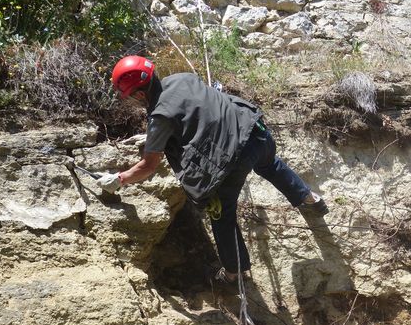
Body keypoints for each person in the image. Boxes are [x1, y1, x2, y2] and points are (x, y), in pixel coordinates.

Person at [97, 55, 328, 283]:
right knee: (270, 165)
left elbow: (149, 165)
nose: (129, 100)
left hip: (233, 160)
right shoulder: (182, 77)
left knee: (221, 213)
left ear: (139, 94)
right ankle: (310, 199)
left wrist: (119, 179)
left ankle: (233, 272)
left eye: (128, 96)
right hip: (256, 132)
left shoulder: (160, 117)